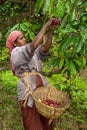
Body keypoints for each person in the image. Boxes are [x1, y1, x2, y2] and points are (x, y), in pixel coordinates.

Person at [6, 18, 61, 130]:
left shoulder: (30, 52)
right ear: (15, 43)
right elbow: (34, 45)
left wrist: (51, 31)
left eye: (24, 36)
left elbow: (45, 48)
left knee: (47, 122)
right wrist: (45, 26)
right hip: (28, 93)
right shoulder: (16, 53)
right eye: (21, 38)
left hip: (41, 91)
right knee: (32, 124)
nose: (24, 39)